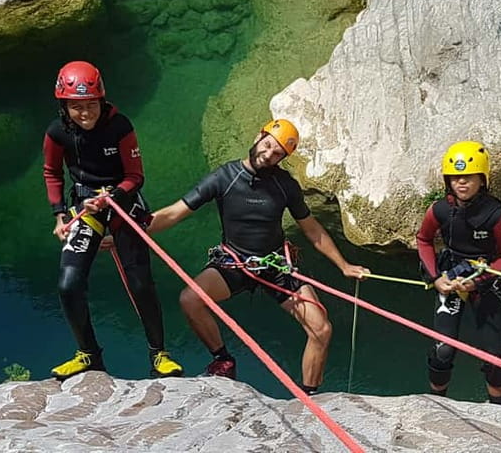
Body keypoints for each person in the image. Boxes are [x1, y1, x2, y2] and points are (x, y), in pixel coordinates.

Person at [148, 119, 369, 394]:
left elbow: (312, 229)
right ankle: (223, 360)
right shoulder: (224, 177)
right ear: (258, 137)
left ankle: (309, 396)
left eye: (277, 153)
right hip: (235, 262)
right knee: (190, 300)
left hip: (275, 265)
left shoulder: (285, 185)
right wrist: (129, 230)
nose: (268, 154)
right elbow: (174, 213)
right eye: (267, 145)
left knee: (321, 329)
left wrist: (344, 266)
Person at [43, 60, 183, 380]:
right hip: (86, 208)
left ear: (102, 101)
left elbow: (135, 176)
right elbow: (52, 172)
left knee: (140, 283)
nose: (85, 113)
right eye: (77, 107)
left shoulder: (119, 126)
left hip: (123, 205)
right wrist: (59, 214)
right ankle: (88, 354)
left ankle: (159, 354)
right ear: (64, 107)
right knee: (68, 284)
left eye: (91, 105)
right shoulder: (57, 132)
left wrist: (113, 196)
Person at [416, 140, 501, 404]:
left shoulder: (495, 214)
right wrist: (436, 278)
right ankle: (438, 404)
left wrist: (479, 281)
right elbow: (423, 240)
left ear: (482, 180)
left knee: (494, 356)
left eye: (468, 177)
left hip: (484, 281)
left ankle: (499, 410)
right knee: (443, 350)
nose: (461, 182)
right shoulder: (440, 210)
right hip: (450, 276)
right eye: (455, 177)